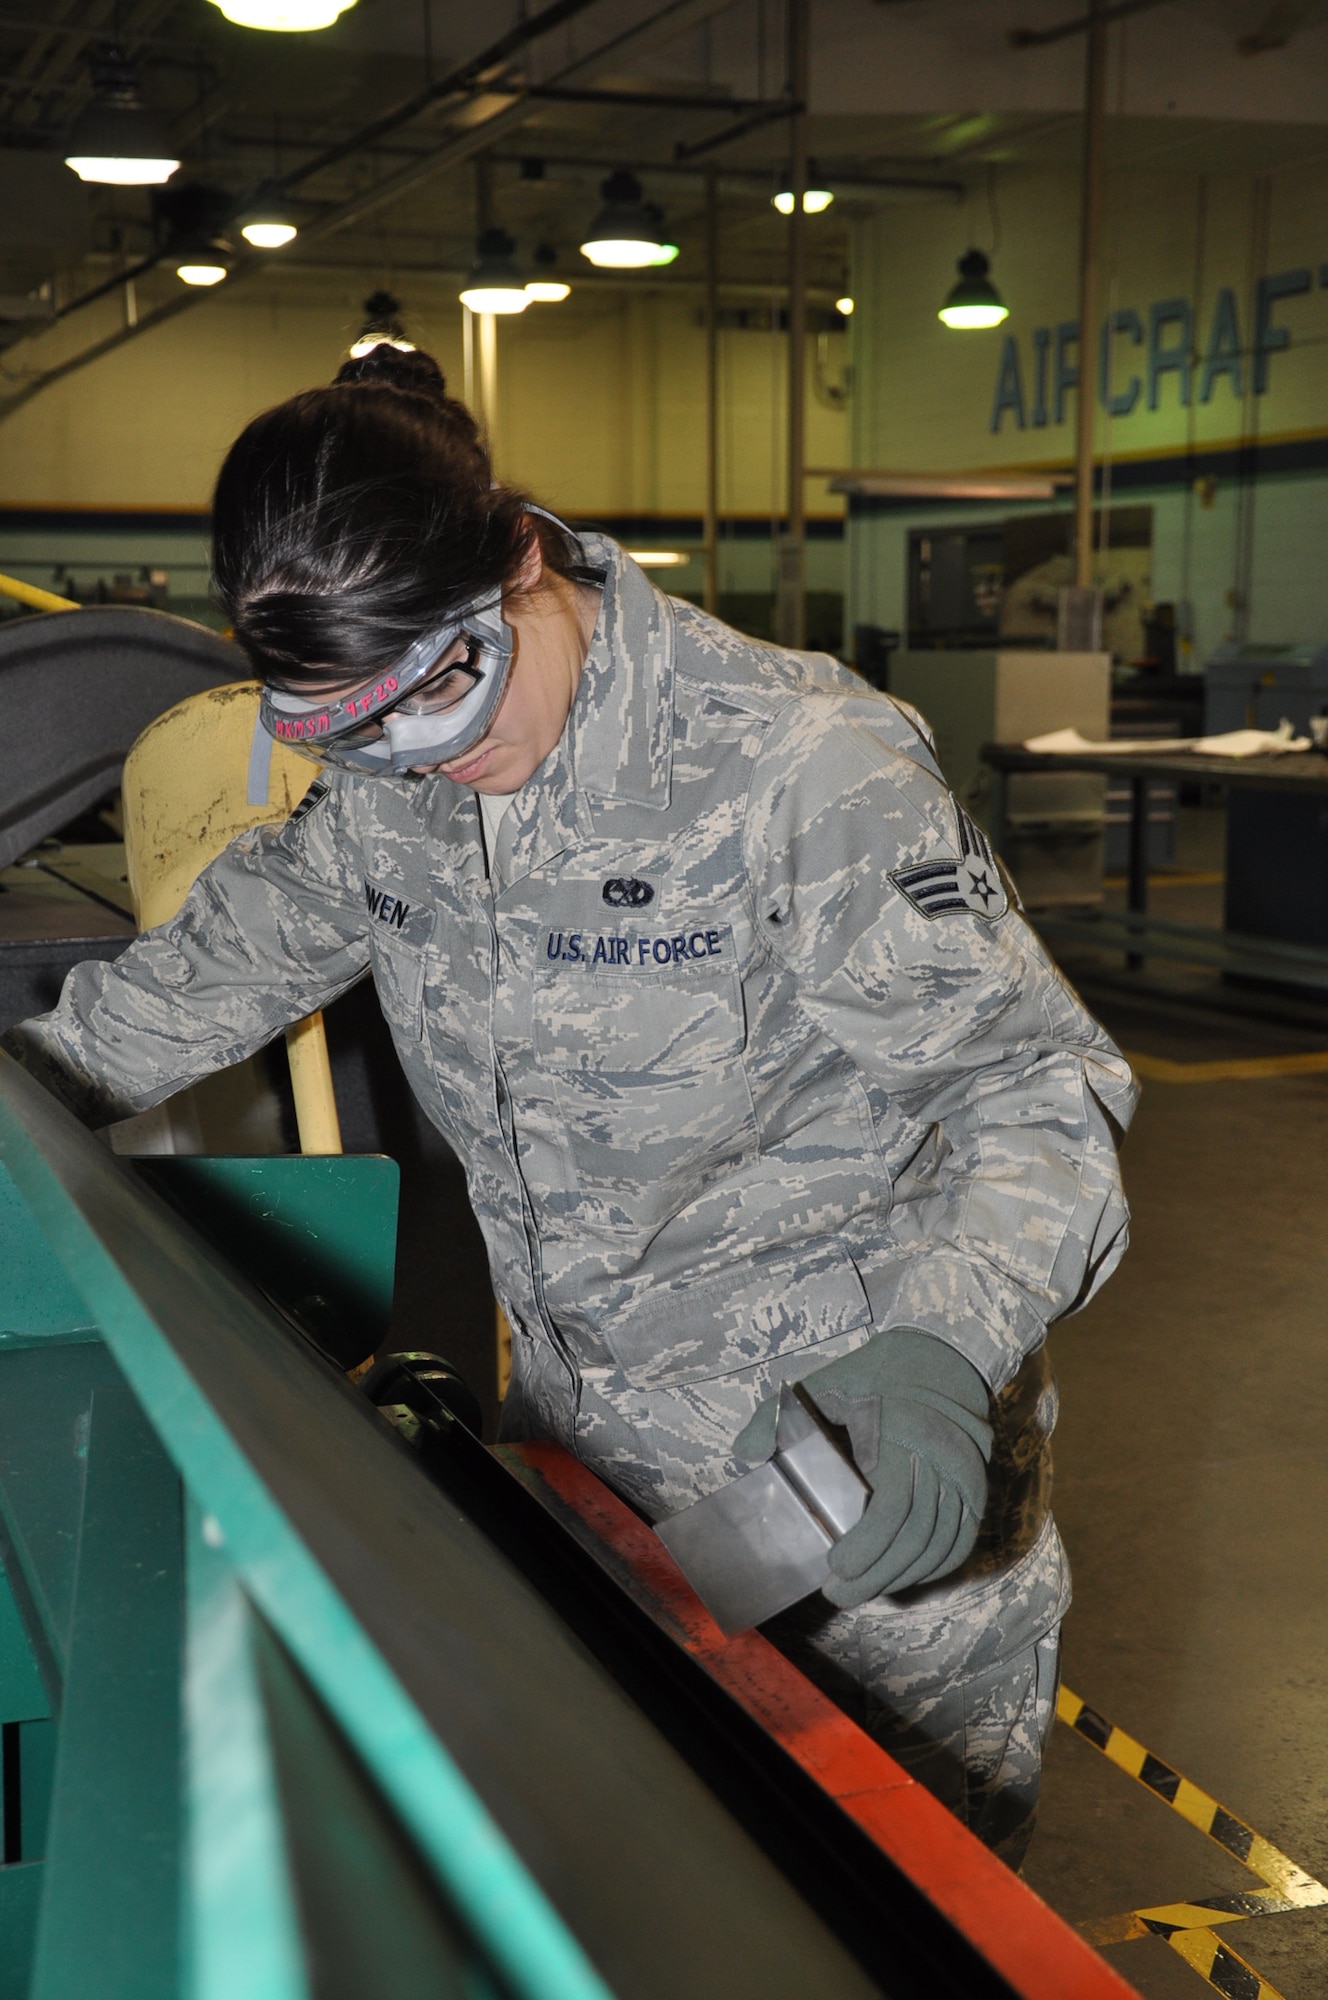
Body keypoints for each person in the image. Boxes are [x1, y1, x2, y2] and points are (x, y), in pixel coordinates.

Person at [2, 342, 1136, 1864]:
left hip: (856, 1503)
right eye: (362, 738)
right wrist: (36, 1087)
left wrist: (936, 1351)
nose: (439, 765)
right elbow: (211, 971)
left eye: (445, 703)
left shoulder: (801, 762)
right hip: (596, 1500)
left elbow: (1037, 1097)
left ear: (521, 559)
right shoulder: (402, 779)